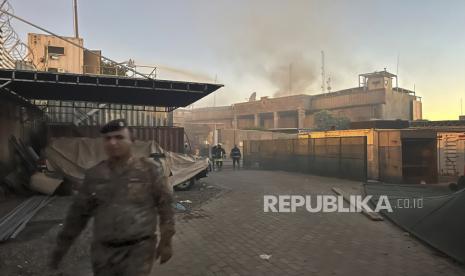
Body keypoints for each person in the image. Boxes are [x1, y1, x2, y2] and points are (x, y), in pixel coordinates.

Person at [50, 119, 175, 276]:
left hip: (139, 250)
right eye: (108, 138)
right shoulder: (94, 175)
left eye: (119, 137)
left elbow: (166, 206)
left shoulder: (149, 171)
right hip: (103, 252)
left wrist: (166, 241)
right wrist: (61, 248)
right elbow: (77, 216)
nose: (113, 142)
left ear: (132, 141)